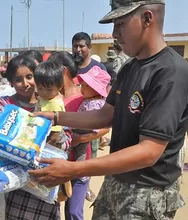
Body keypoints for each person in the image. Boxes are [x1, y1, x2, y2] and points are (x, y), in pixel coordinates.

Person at [30, 0, 188, 219]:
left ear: (147, 18)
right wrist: (55, 117)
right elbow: (106, 115)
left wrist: (73, 169)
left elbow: (149, 151)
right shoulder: (130, 68)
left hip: (147, 194)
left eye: (120, 24)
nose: (114, 33)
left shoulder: (170, 72)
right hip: (115, 181)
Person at [0, 54, 71, 220]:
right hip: (17, 182)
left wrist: (55, 136)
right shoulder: (6, 105)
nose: (25, 84)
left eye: (29, 77)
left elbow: (68, 138)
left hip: (46, 175)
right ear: (11, 82)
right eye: (18, 79)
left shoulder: (52, 103)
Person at [65, 65, 110, 220]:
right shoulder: (87, 99)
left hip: (83, 133)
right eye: (82, 85)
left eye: (86, 86)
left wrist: (80, 136)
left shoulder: (97, 103)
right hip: (76, 134)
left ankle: (81, 173)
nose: (82, 88)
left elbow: (102, 126)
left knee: (73, 210)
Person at [34, 61, 66, 148]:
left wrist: (47, 147)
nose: (44, 93)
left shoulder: (55, 104)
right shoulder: (45, 98)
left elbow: (55, 133)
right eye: (40, 88)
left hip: (52, 142)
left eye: (49, 89)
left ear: (60, 87)